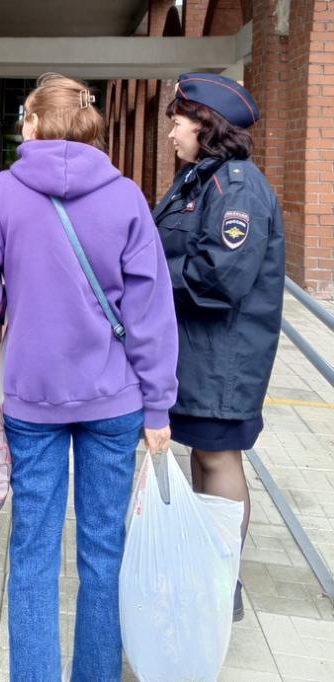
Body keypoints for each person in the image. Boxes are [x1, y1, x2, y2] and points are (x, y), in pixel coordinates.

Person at [0, 74, 178, 682]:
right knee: (105, 552)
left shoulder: (2, 192)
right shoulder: (128, 196)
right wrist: (158, 409)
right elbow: (151, 313)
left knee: (32, 554)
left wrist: (25, 294)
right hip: (115, 399)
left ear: (33, 123)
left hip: (33, 396)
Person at [153, 72, 285, 623]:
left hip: (223, 353)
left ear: (207, 125)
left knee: (218, 454)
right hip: (198, 349)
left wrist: (150, 277)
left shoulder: (237, 186)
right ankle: (208, 567)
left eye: (178, 122)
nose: (171, 134)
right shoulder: (197, 181)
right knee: (204, 454)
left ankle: (223, 577)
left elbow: (218, 278)